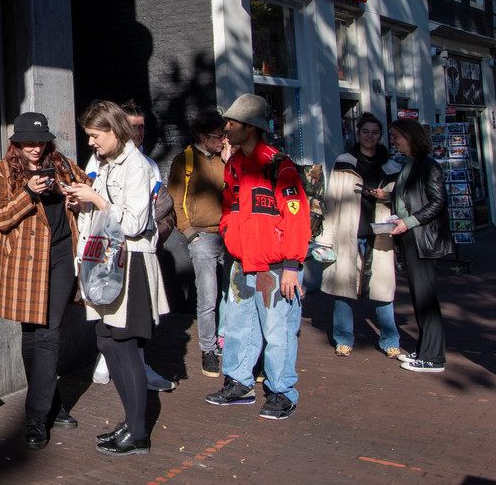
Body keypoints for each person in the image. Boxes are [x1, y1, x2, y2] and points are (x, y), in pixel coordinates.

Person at [64, 100, 169, 456]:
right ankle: (131, 421)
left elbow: (135, 222)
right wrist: (83, 203)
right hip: (105, 262)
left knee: (124, 347)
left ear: (113, 131)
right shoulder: (106, 163)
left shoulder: (135, 165)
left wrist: (95, 198)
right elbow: (106, 211)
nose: (91, 142)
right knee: (107, 342)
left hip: (130, 263)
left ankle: (138, 432)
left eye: (95, 136)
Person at [205, 93, 310, 420]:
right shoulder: (234, 164)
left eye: (232, 123)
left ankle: (282, 392)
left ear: (250, 127)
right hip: (242, 263)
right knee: (237, 325)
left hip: (275, 267)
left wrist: (292, 267)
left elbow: (296, 218)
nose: (226, 128)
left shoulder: (280, 165)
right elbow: (227, 206)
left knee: (277, 330)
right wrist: (227, 231)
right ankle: (239, 382)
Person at [0, 112, 88, 450]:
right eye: (28, 142)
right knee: (30, 334)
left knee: (49, 332)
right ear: (16, 142)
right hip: (24, 263)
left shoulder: (61, 163)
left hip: (61, 255)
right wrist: (29, 193)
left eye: (40, 141)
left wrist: (74, 195)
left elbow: (86, 187)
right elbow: (1, 218)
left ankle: (35, 418)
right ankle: (53, 402)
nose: (35, 148)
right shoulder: (4, 171)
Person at [90, 100, 177, 393]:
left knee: (127, 336)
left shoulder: (143, 165)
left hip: (133, 254)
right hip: (108, 256)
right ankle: (115, 372)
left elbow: (143, 217)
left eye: (142, 126)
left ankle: (136, 424)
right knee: (111, 336)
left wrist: (158, 235)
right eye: (133, 126)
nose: (138, 132)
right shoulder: (101, 161)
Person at [319, 113, 403, 358]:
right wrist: (326, 237)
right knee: (343, 288)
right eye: (365, 131)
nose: (370, 136)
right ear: (358, 133)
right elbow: (332, 200)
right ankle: (343, 338)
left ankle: (390, 339)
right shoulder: (344, 163)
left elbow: (402, 201)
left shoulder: (393, 168)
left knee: (383, 289)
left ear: (380, 136)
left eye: (374, 132)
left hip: (380, 234)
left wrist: (387, 197)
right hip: (348, 232)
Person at [383, 118, 451, 373]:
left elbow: (438, 202)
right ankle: (425, 349)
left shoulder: (428, 166)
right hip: (411, 237)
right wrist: (389, 197)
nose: (393, 141)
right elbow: (410, 198)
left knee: (425, 298)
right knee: (419, 296)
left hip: (422, 238)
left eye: (396, 136)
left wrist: (409, 221)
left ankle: (433, 357)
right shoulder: (409, 164)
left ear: (409, 137)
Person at [164, 109, 228, 377]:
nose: (224, 140)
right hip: (202, 236)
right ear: (203, 136)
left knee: (232, 295)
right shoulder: (184, 160)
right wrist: (190, 233)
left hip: (229, 235)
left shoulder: (227, 159)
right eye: (219, 136)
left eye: (226, 135)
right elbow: (174, 202)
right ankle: (208, 350)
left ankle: (226, 340)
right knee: (208, 297)